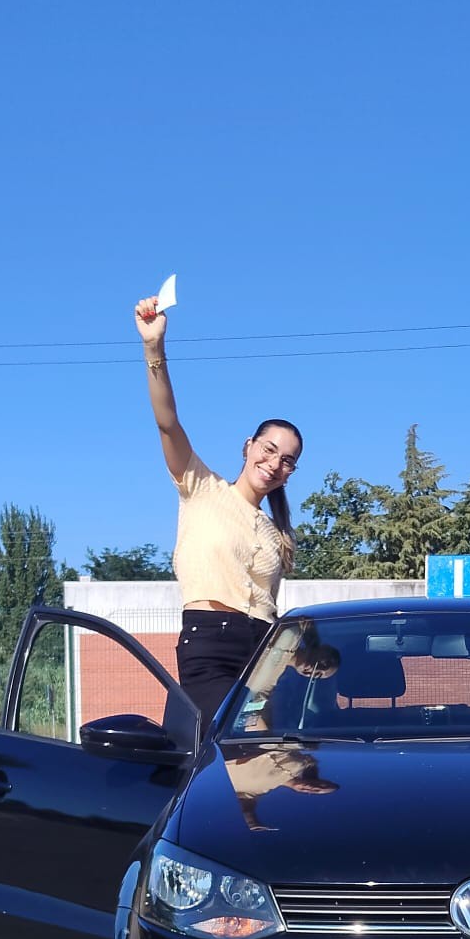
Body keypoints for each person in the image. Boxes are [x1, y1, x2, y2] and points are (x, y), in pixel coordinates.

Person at [134, 292, 304, 731]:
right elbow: (167, 423)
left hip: (265, 652)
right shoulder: (201, 487)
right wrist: (154, 348)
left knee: (270, 750)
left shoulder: (276, 535)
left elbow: (269, 608)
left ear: (290, 473)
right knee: (226, 749)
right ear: (248, 446)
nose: (275, 463)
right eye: (269, 449)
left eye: (287, 460)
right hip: (210, 646)